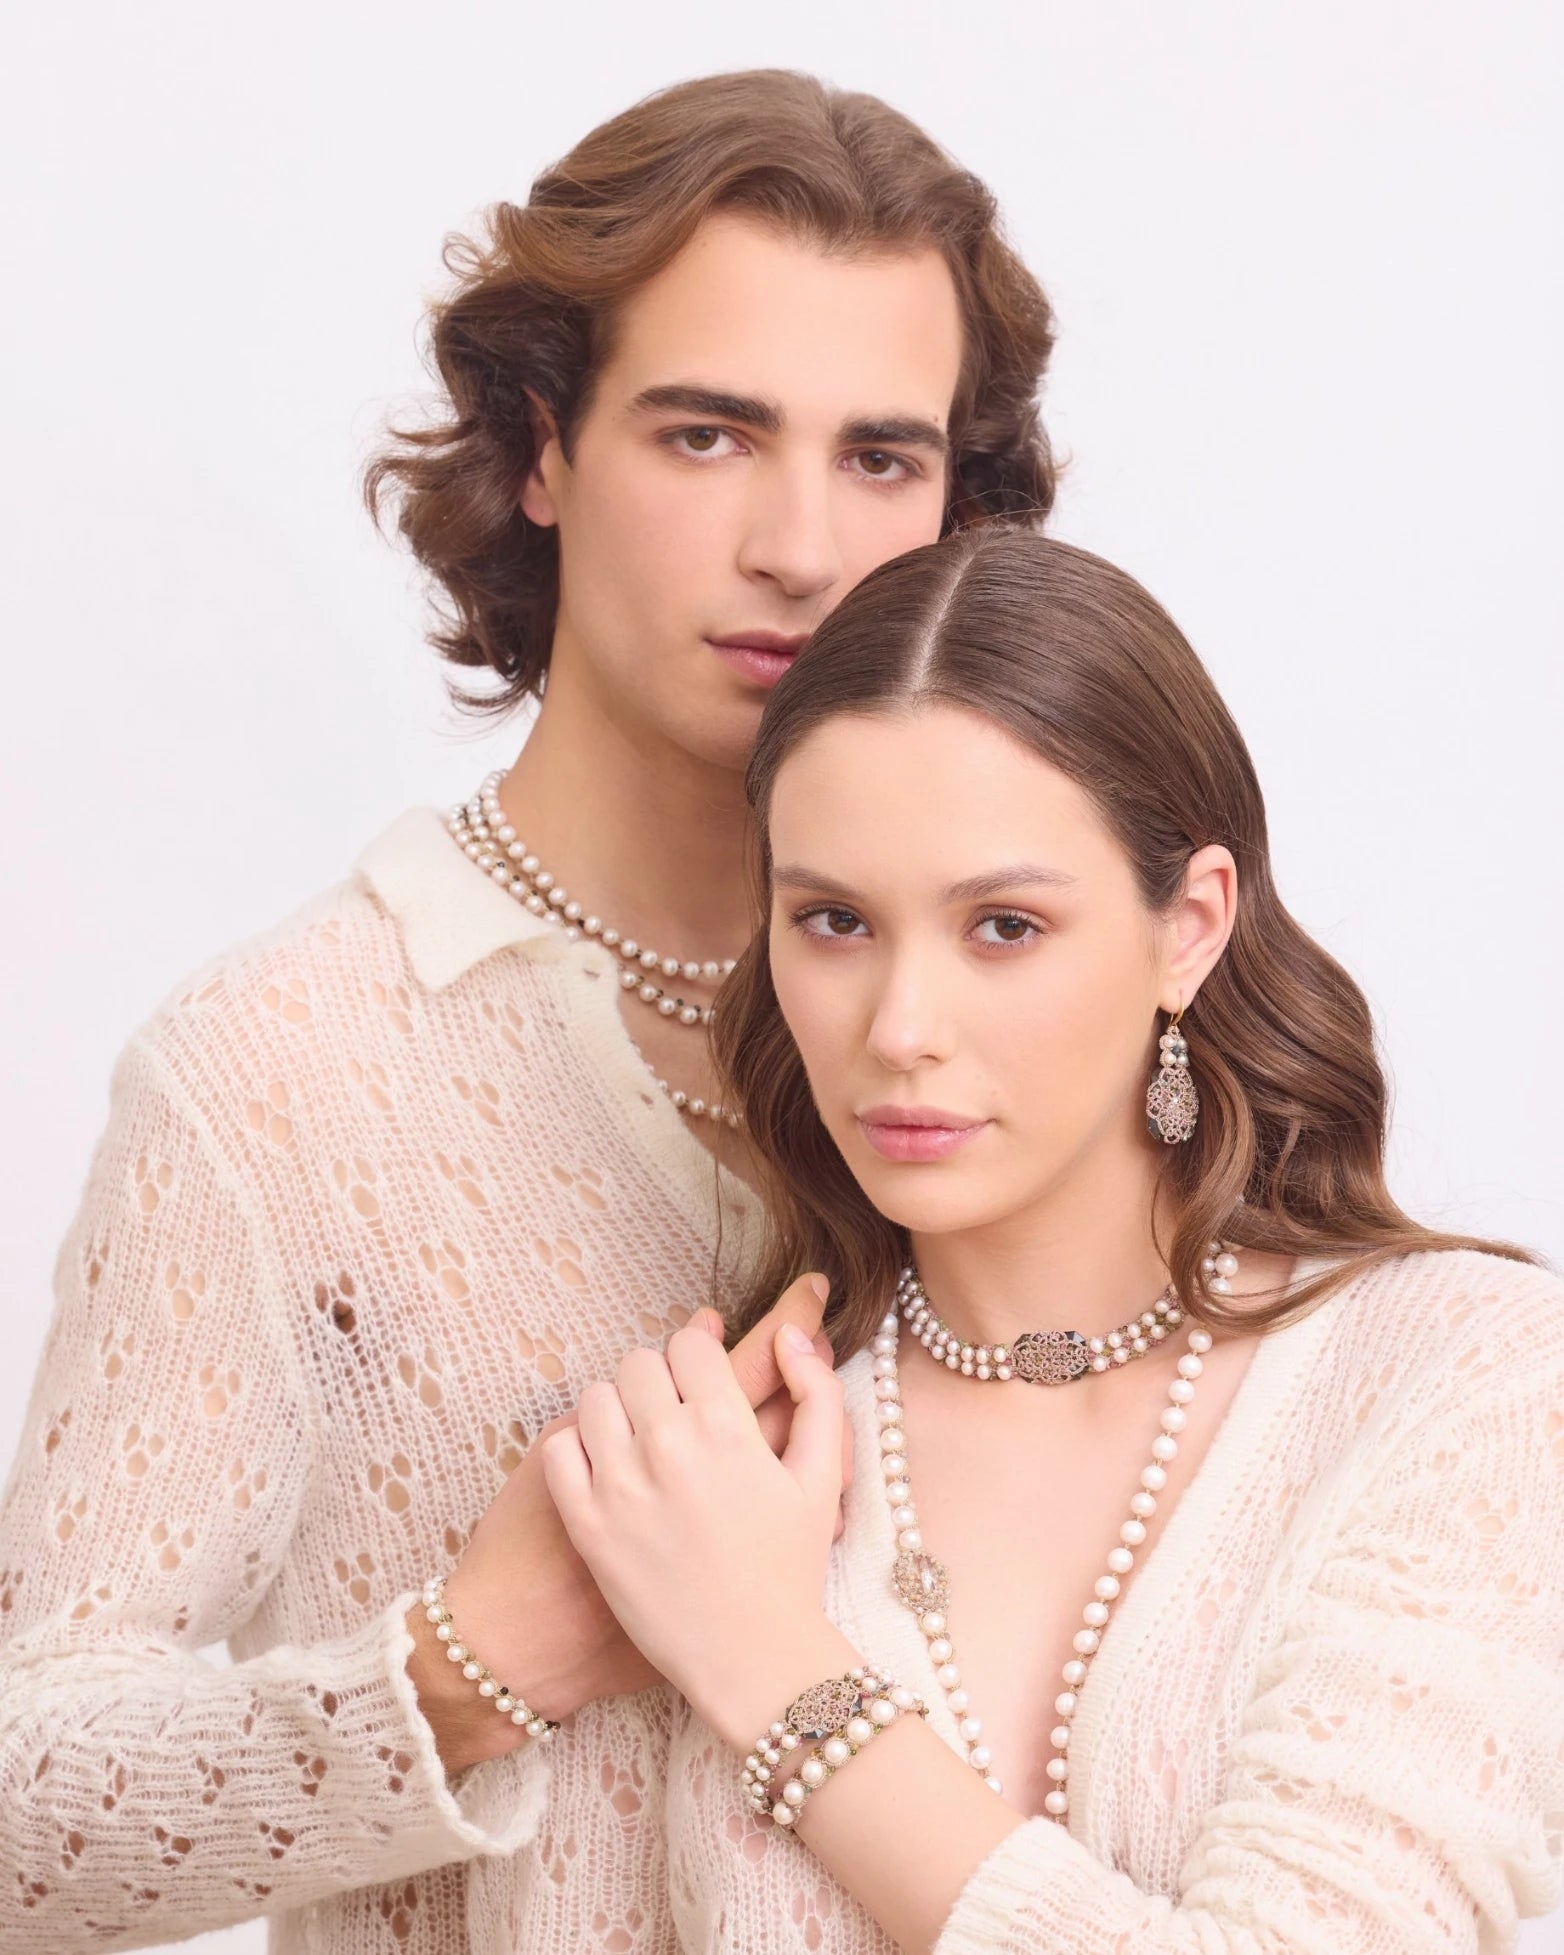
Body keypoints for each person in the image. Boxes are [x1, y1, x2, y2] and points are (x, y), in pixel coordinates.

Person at [0, 72, 1056, 1954]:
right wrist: (462, 1668)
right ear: (543, 448)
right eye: (711, 435)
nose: (803, 547)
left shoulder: (1054, 1020)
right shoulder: (281, 1076)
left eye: (882, 460)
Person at [538, 528, 1564, 1954]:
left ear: (1189, 927)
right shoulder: (713, 1464)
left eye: (1005, 927)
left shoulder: (1463, 1380)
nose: (900, 1028)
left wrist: (770, 1668)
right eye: (833, 921)